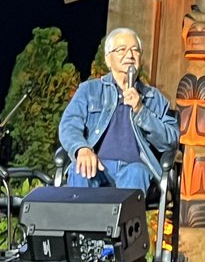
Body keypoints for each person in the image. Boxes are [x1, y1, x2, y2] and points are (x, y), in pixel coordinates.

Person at [59, 27, 179, 192]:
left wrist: (141, 110)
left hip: (134, 169)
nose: (129, 56)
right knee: (80, 170)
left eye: (135, 51)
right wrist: (81, 148)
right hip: (97, 165)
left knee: (136, 173)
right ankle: (80, 218)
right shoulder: (89, 90)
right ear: (108, 60)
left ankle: (124, 219)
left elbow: (171, 140)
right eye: (122, 50)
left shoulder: (153, 97)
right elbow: (69, 125)